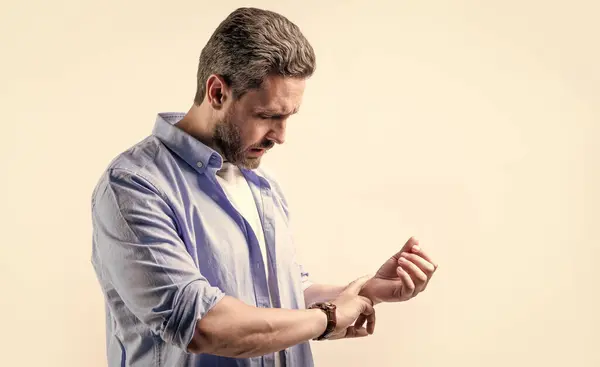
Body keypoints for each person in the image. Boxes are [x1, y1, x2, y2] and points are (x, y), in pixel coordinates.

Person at [90, 7, 438, 367]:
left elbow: (283, 299)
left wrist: (363, 294)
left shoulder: (262, 185)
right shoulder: (134, 187)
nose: (281, 136)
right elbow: (203, 325)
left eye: (288, 117)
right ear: (217, 92)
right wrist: (329, 318)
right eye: (267, 116)